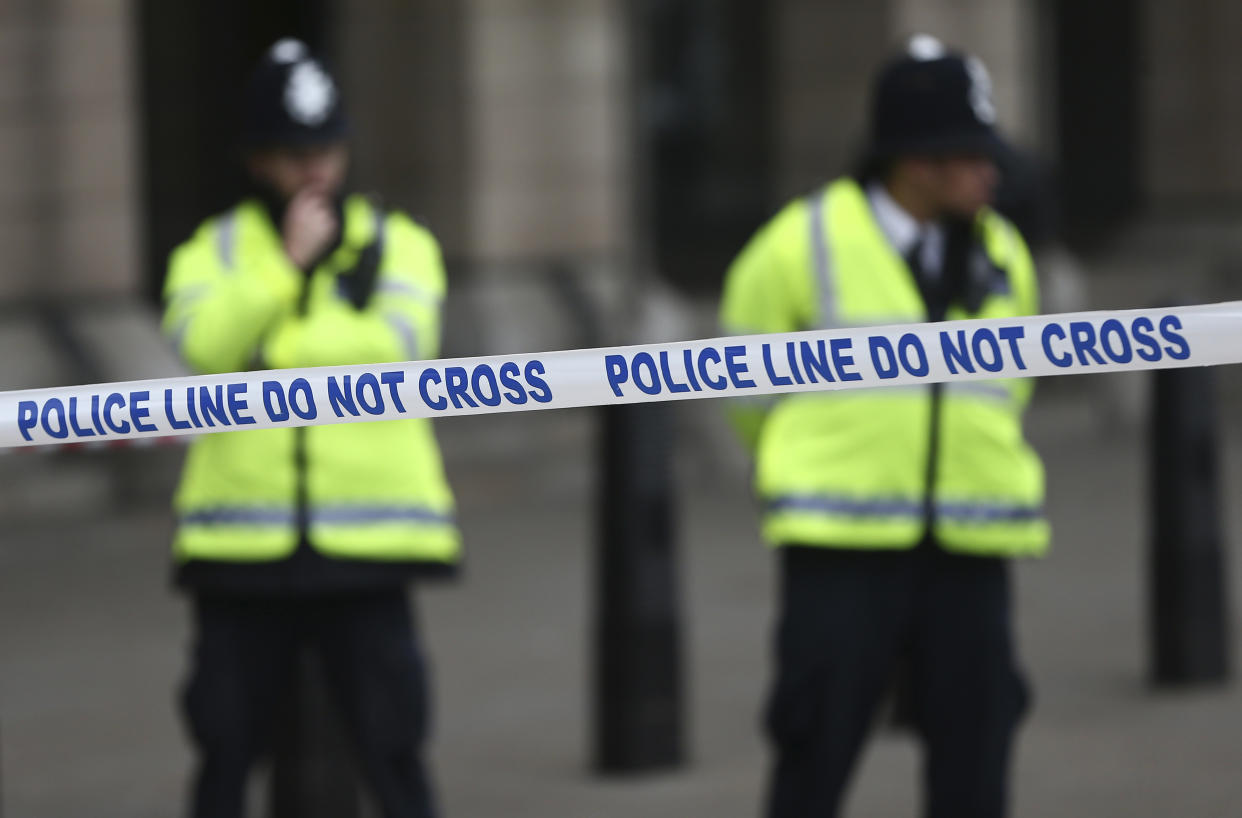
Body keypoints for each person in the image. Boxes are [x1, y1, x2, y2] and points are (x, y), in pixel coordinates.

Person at [720, 35, 1047, 818]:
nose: (990, 171)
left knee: (977, 764)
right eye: (971, 154)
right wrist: (811, 464)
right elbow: (743, 387)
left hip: (969, 546)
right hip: (843, 546)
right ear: (915, 159)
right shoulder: (801, 243)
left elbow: (1011, 388)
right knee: (814, 754)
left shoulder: (1001, 250)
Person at [162, 38, 458, 818]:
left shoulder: (403, 244)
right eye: (294, 154)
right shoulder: (213, 251)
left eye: (326, 148)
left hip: (368, 543)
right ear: (258, 161)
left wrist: (274, 346)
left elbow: (399, 352)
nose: (315, 171)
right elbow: (203, 346)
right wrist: (285, 270)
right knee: (224, 753)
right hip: (239, 548)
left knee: (395, 754)